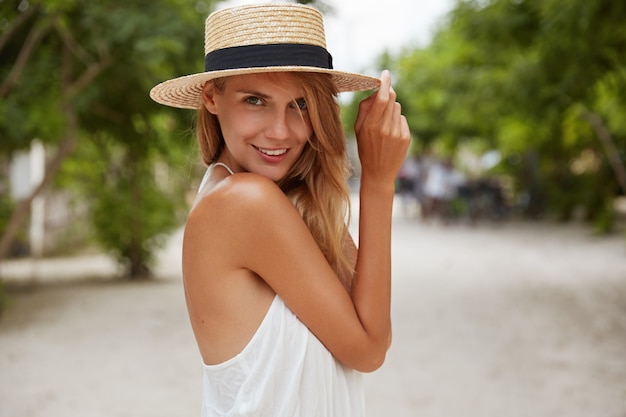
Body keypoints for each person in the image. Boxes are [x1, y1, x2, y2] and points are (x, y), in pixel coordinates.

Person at [150, 3, 410, 416]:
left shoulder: (292, 202)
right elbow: (369, 350)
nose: (280, 130)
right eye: (255, 100)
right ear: (212, 97)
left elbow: (365, 325)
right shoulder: (245, 202)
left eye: (301, 104)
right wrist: (378, 182)